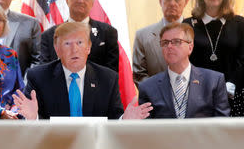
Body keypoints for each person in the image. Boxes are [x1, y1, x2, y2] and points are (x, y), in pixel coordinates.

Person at [13, 22, 152, 120]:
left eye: (80, 43)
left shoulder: (108, 79)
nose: (74, 49)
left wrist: (124, 121)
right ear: (57, 50)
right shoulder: (38, 77)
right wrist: (33, 118)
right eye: (67, 44)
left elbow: (114, 119)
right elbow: (29, 118)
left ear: (89, 48)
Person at [138, 22, 230, 118]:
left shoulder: (214, 81)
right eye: (165, 43)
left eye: (176, 41)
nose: (169, 46)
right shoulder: (147, 87)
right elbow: (147, 129)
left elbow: (221, 125)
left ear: (190, 47)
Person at [183, 0, 244, 97]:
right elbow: (184, 63)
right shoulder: (187, 24)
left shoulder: (240, 23)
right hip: (197, 95)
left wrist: (230, 86)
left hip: (231, 95)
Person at [39, 0, 119, 72]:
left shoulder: (108, 33)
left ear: (92, 3)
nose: (81, 0)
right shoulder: (49, 36)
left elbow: (111, 74)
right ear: (67, 1)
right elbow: (44, 72)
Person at [133, 0, 190, 84]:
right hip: (156, 99)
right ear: (160, 0)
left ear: (186, 1)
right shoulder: (142, 36)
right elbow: (139, 75)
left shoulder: (196, 33)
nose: (172, 3)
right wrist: (159, 94)